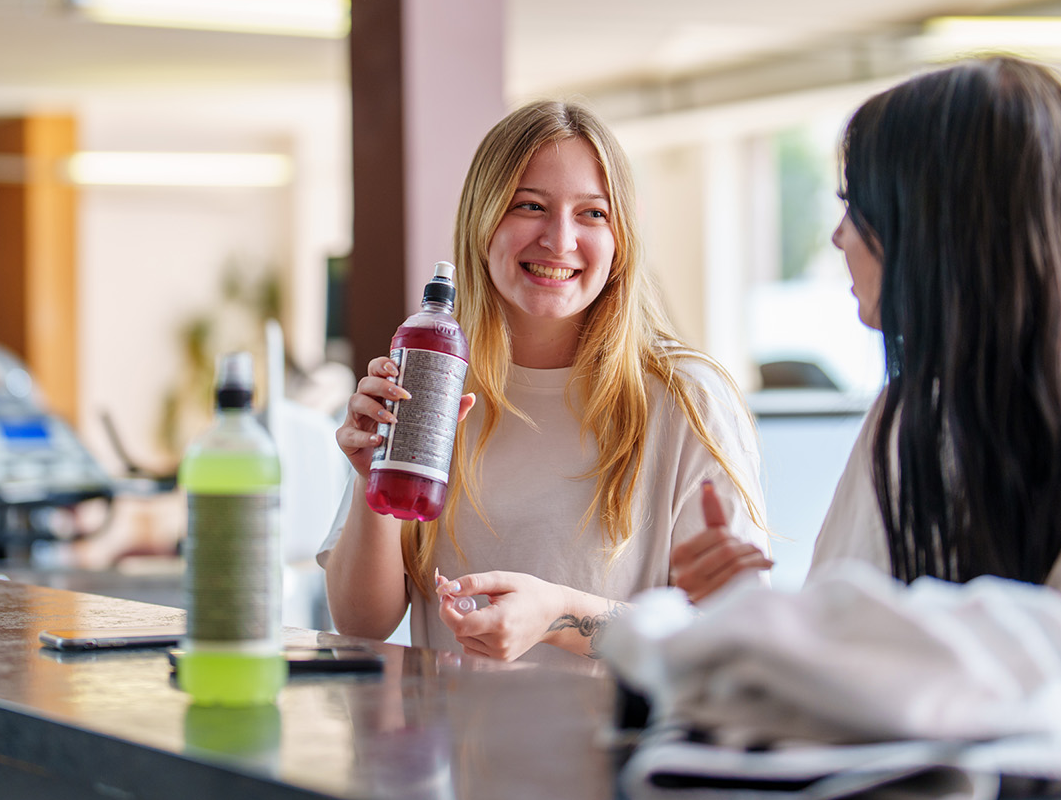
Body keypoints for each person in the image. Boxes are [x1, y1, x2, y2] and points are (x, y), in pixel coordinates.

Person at [683, 58, 1061, 640]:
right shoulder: (911, 415)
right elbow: (848, 656)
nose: (838, 236)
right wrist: (745, 611)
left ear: (936, 228)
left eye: (858, 207)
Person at [322, 101, 769, 663]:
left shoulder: (688, 399)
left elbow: (735, 634)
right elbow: (362, 623)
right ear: (482, 221)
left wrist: (560, 616)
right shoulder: (433, 387)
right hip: (454, 748)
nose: (559, 240)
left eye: (593, 213)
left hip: (620, 751)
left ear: (621, 237)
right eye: (530, 206)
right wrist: (375, 485)